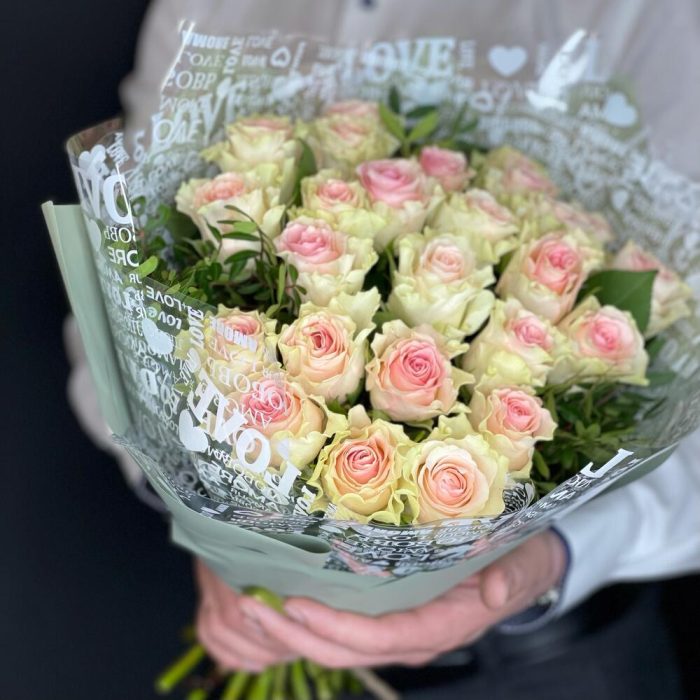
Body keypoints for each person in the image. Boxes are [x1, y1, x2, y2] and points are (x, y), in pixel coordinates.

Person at [67, 1, 700, 697]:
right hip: (253, 628)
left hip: (546, 668)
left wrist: (546, 561)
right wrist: (216, 530)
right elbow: (121, 254)